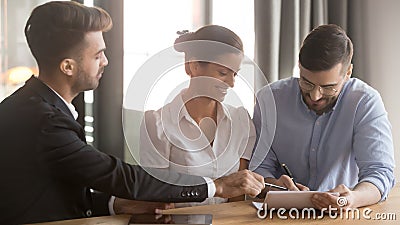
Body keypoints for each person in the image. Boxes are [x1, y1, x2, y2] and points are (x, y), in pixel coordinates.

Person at [0, 2, 265, 224]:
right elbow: (118, 175)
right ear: (68, 66)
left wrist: (119, 204)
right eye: (98, 55)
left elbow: (56, 192)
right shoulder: (44, 122)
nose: (106, 61)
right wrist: (215, 186)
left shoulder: (40, 107)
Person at [249, 24, 395, 209]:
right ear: (299, 67)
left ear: (348, 73)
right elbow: (258, 168)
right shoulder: (270, 100)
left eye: (328, 87)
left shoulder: (365, 102)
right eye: (307, 82)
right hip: (281, 215)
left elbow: (380, 172)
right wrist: (273, 185)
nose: (315, 96)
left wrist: (351, 199)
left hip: (343, 216)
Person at [139, 25, 256, 207]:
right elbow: (157, 195)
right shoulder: (157, 123)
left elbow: (237, 196)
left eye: (235, 74)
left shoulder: (241, 121)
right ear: (193, 66)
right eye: (223, 73)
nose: (231, 83)